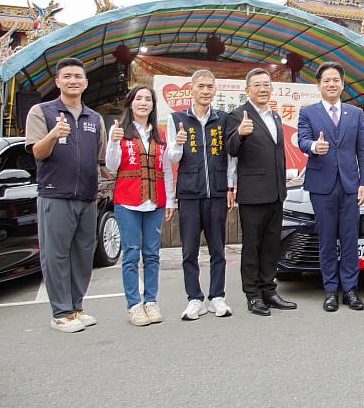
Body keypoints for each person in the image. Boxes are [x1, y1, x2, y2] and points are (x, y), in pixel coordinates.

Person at [25, 57, 106, 333]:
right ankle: (60, 313)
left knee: (84, 254)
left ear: (85, 82)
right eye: (67, 76)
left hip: (87, 197)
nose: (73, 80)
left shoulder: (94, 118)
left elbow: (102, 160)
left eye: (78, 76)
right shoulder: (42, 112)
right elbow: (37, 152)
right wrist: (53, 134)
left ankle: (76, 308)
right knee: (56, 255)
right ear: (58, 81)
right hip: (55, 195)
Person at [297, 62, 364, 312]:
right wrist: (313, 148)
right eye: (326, 80)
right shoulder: (308, 113)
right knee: (327, 239)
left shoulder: (355, 113)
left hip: (350, 185)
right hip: (322, 186)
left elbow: (363, 150)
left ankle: (350, 290)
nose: (331, 84)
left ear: (342, 83)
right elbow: (302, 140)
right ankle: (330, 290)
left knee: (350, 239)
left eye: (335, 80)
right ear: (319, 86)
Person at [165, 69, 237, 321]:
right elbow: (172, 158)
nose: (206, 91)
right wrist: (178, 143)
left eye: (210, 86)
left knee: (218, 248)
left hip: (216, 191)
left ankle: (217, 296)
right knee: (189, 250)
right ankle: (194, 298)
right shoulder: (177, 120)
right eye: (201, 86)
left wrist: (230, 186)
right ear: (192, 89)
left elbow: (230, 157)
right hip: (189, 193)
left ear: (214, 90)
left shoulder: (224, 119)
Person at [225, 68, 297, 316]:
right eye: (257, 85)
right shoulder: (237, 115)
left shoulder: (275, 117)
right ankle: (253, 295)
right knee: (252, 246)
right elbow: (231, 149)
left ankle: (269, 290)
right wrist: (239, 134)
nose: (263, 89)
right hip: (253, 194)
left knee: (270, 246)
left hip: (277, 193)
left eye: (267, 84)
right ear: (247, 90)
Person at [106, 86, 173, 326]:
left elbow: (166, 170)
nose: (143, 103)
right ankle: (134, 305)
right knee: (131, 254)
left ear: (153, 105)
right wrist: (113, 144)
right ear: (130, 103)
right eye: (139, 98)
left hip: (155, 201)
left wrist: (170, 200)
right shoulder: (118, 131)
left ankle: (151, 301)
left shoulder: (160, 135)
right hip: (127, 201)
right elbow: (112, 166)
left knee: (152, 255)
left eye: (148, 99)